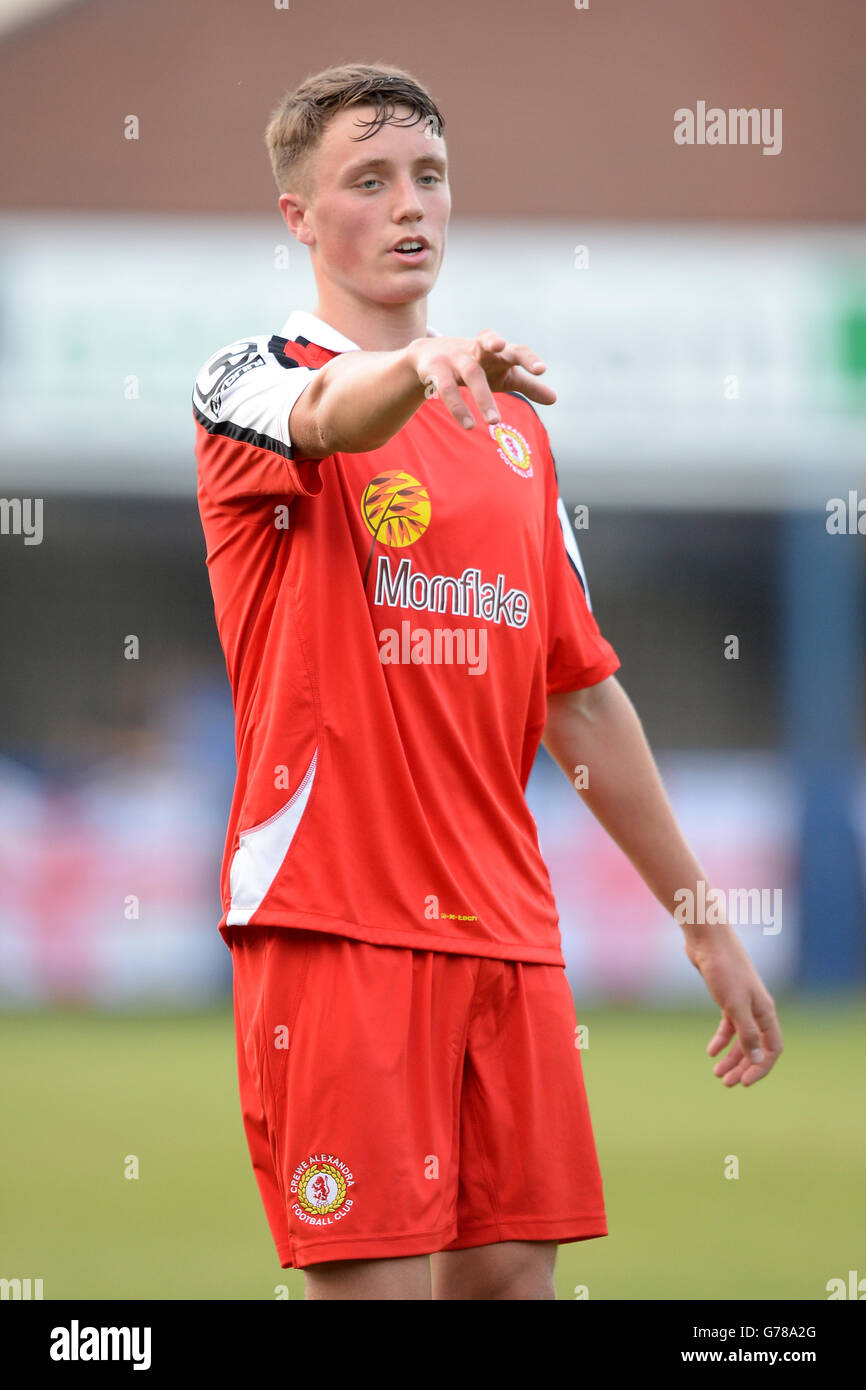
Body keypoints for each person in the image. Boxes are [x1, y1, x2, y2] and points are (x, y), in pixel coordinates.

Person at [191, 62, 783, 1301]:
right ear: (298, 214)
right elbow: (333, 418)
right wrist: (416, 370)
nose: (409, 206)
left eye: (428, 177)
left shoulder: (515, 434)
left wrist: (702, 922)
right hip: (336, 920)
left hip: (505, 934)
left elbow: (577, 696)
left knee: (515, 1280)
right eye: (368, 180)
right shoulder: (247, 379)